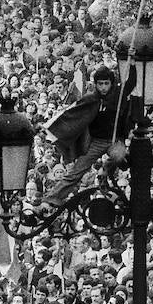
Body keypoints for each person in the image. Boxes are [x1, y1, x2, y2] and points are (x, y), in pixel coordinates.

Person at [40, 47, 136, 210]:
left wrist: (132, 62)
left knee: (120, 156)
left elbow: (131, 82)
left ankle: (105, 169)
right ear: (95, 84)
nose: (104, 87)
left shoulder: (117, 95)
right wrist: (51, 128)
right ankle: (53, 198)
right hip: (95, 142)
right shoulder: (91, 98)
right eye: (101, 84)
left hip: (114, 141)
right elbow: (72, 115)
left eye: (107, 83)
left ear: (111, 83)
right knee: (76, 172)